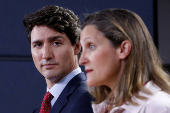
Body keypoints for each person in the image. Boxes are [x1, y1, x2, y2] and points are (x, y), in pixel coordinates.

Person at [79, 8, 170, 113]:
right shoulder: (102, 109)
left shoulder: (158, 107)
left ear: (123, 49)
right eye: (82, 49)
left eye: (91, 46)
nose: (81, 60)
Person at [23, 5, 93, 113]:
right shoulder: (38, 110)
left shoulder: (88, 99)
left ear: (77, 47)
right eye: (38, 45)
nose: (46, 55)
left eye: (56, 43)